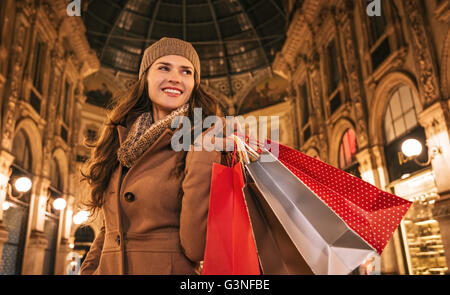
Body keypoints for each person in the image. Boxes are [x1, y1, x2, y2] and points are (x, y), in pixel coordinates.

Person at [79, 37, 237, 275]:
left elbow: (197, 247)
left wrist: (203, 156)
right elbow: (111, 228)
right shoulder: (120, 137)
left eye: (186, 72)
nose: (175, 78)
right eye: (164, 67)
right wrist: (89, 271)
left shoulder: (207, 138)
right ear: (146, 76)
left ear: (194, 83)